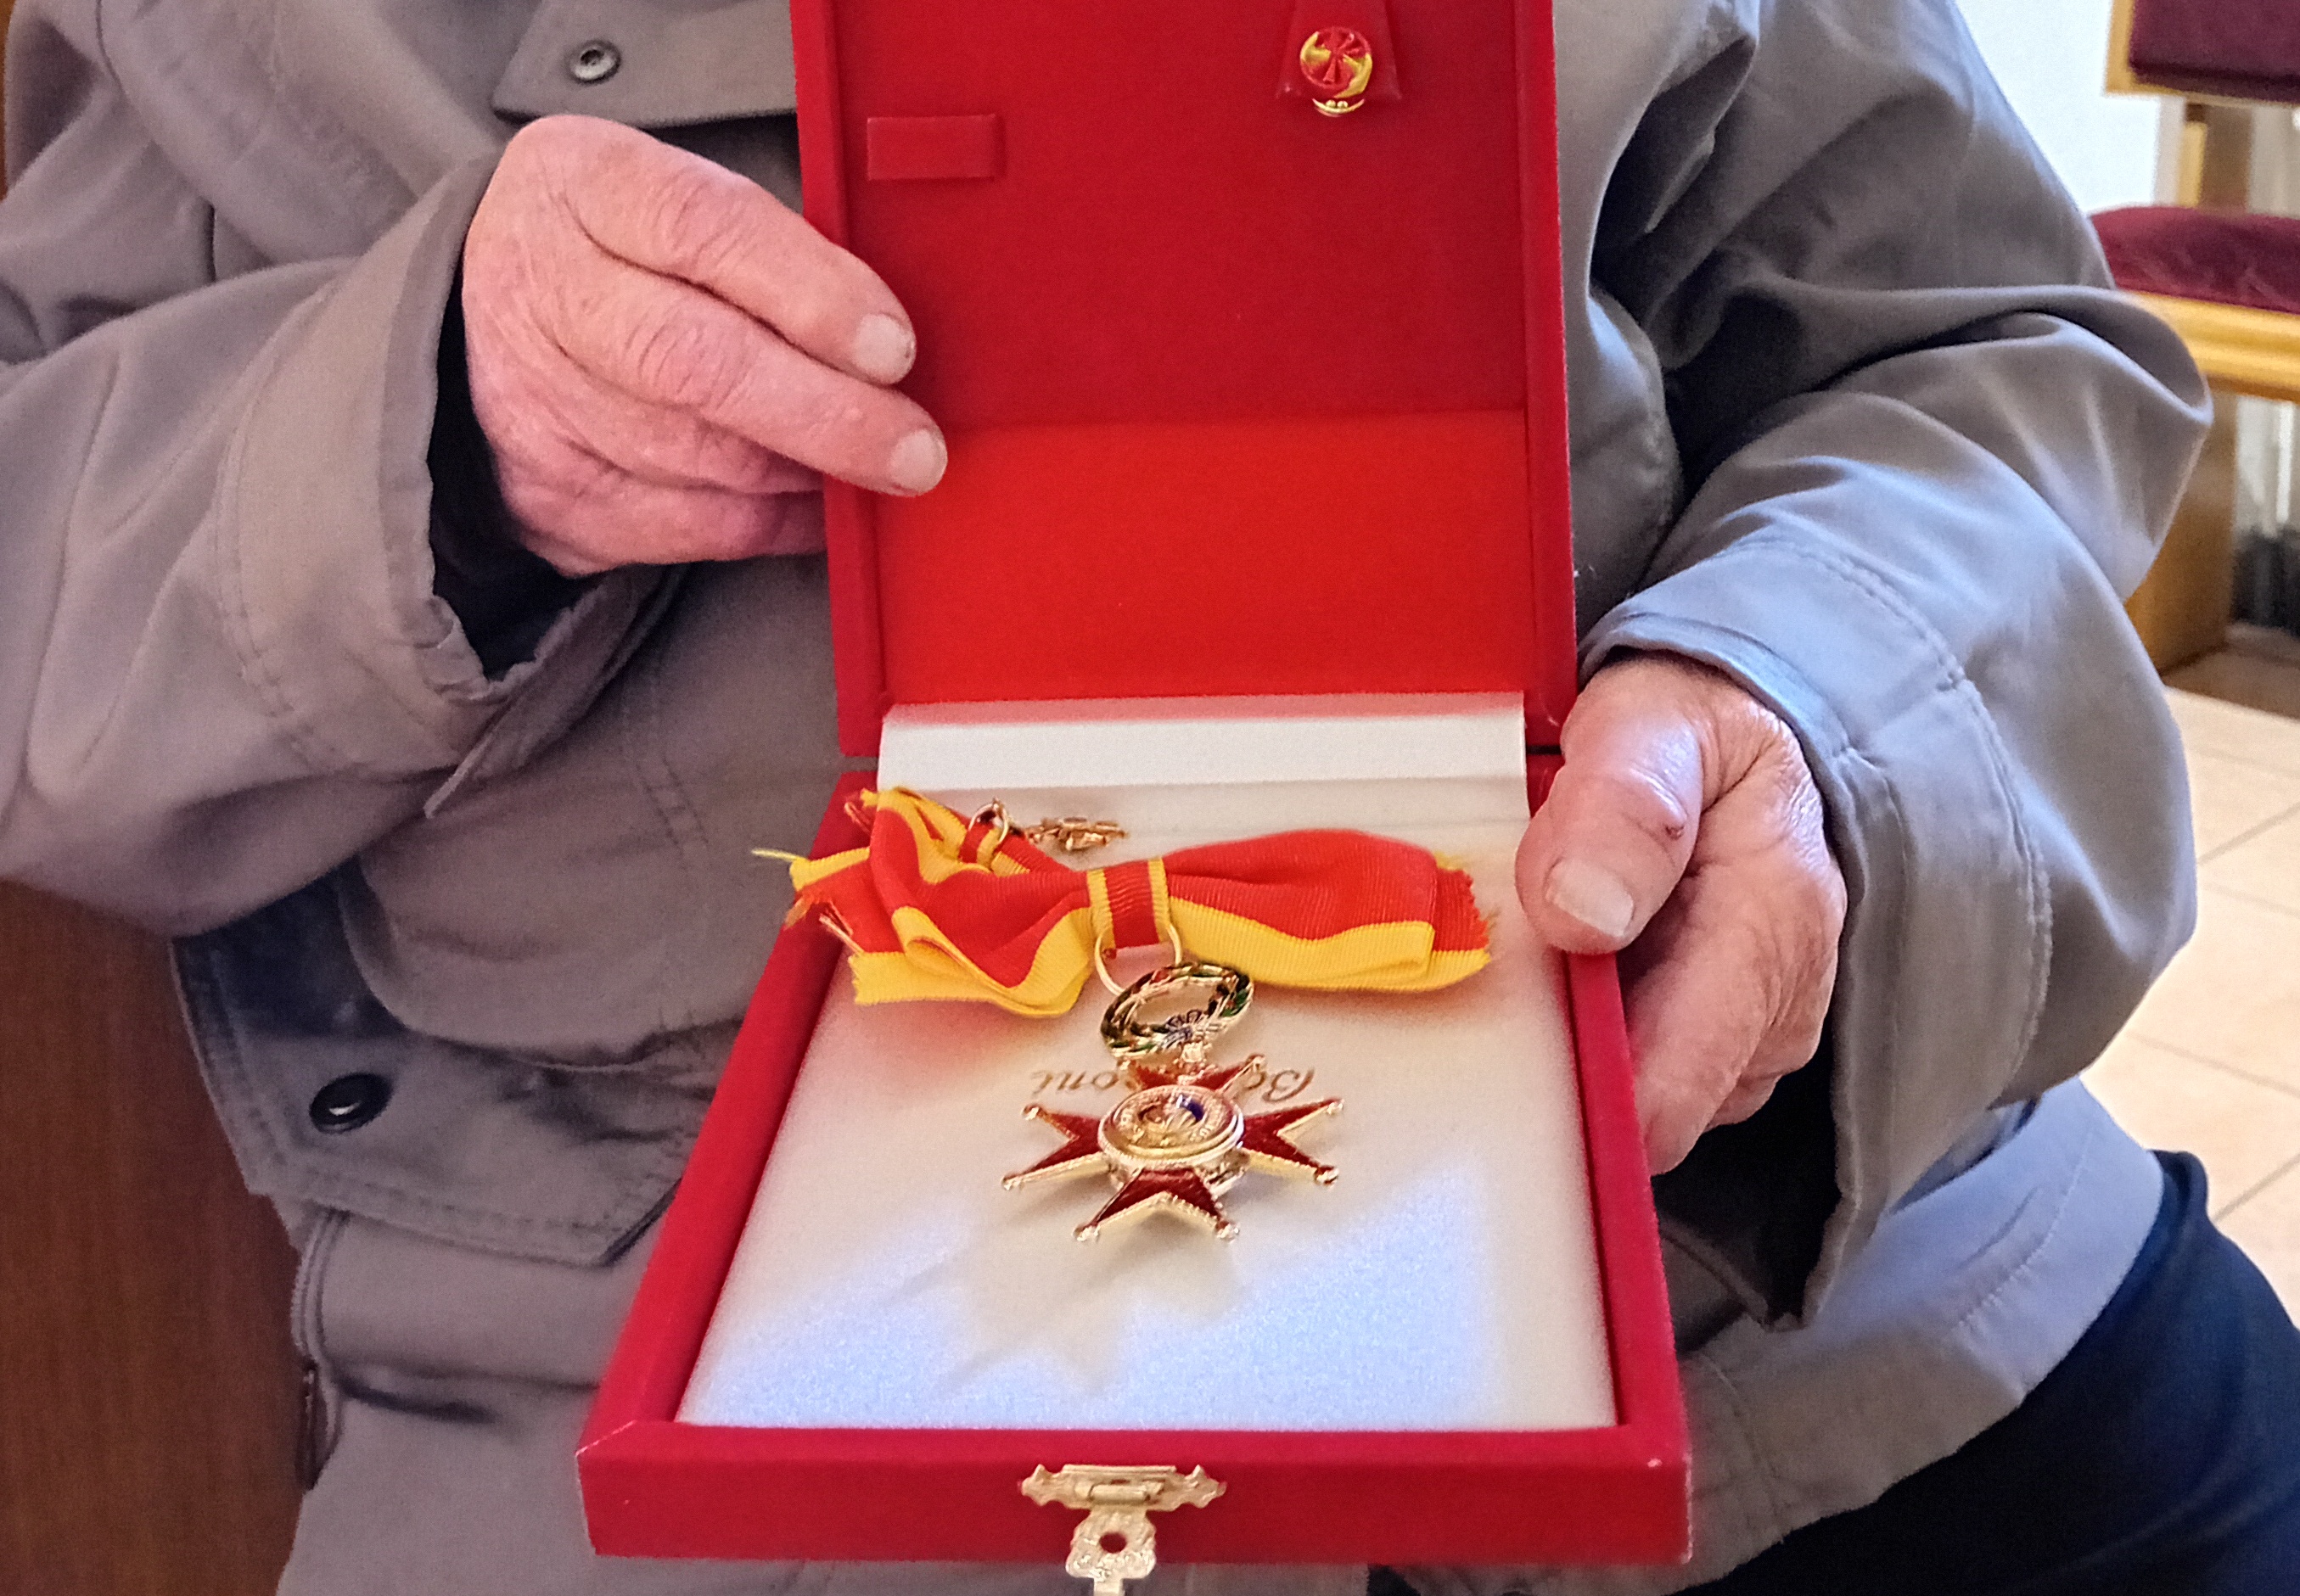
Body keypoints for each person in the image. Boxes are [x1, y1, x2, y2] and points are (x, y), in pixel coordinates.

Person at [1, 0, 2292, 1591]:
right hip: (682, 1396)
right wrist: (421, 425)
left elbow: (1992, 344)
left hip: (1825, 1306)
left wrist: (1798, 702)